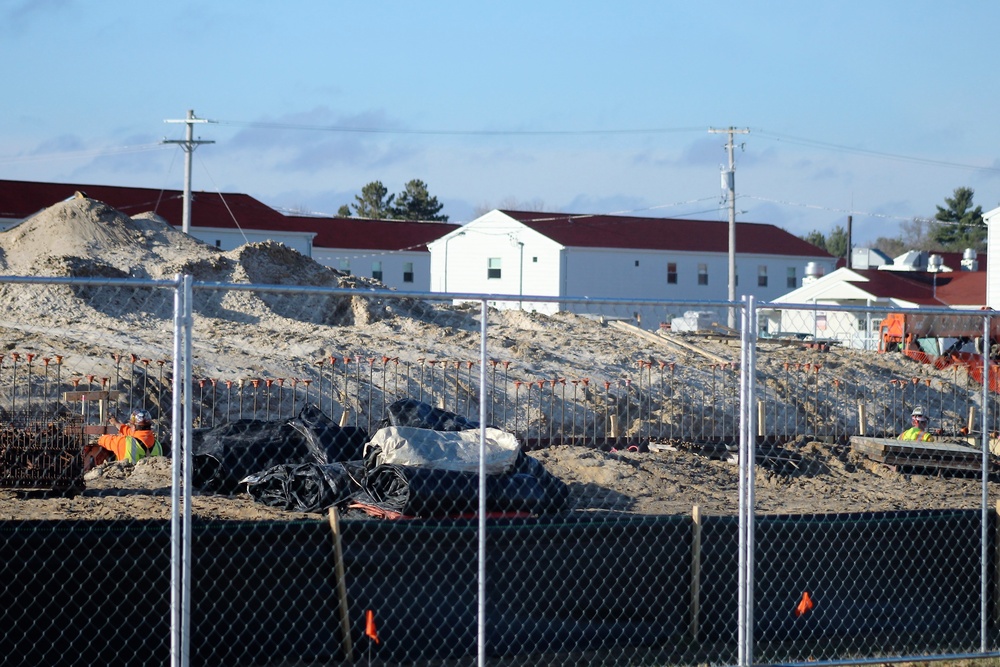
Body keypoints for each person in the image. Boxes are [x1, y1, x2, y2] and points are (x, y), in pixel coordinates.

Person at [96, 409, 163, 463]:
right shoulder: (157, 445)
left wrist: (101, 438)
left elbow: (103, 440)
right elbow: (134, 434)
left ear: (133, 427)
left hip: (127, 477)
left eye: (130, 424)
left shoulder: (125, 441)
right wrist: (116, 424)